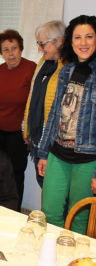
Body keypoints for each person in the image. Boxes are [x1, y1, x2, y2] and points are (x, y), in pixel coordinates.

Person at [37, 15, 96, 235]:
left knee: (79, 218)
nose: (83, 42)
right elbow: (54, 115)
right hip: (57, 154)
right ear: (70, 42)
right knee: (49, 213)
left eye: (89, 36)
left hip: (88, 159)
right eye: (78, 37)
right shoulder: (65, 71)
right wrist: (43, 152)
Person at [0, 29, 36, 211]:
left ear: (21, 48)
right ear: (0, 52)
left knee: (14, 174)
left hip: (19, 135)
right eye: (5, 49)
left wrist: (32, 132)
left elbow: (38, 104)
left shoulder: (31, 69)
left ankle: (13, 212)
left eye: (14, 48)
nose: (10, 53)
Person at [23, 20, 66, 188]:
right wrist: (26, 127)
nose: (40, 49)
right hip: (36, 139)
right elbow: (33, 97)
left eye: (43, 44)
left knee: (55, 190)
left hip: (54, 145)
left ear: (59, 41)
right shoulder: (42, 63)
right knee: (44, 185)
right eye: (39, 44)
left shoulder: (68, 68)